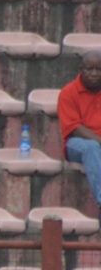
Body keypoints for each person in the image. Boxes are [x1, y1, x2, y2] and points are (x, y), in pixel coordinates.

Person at [58, 50, 101, 216]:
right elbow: (74, 128)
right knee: (91, 147)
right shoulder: (68, 92)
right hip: (76, 144)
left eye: (98, 69)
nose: (94, 73)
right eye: (89, 69)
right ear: (81, 69)